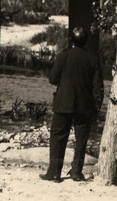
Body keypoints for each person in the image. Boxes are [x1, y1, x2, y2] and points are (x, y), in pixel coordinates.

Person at [41, 26, 104, 183]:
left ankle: (54, 173)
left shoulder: (64, 56)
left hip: (63, 103)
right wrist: (96, 108)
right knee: (81, 139)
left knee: (58, 137)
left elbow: (52, 79)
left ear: (71, 40)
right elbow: (98, 88)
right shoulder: (93, 59)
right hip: (84, 105)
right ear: (86, 41)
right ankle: (76, 172)